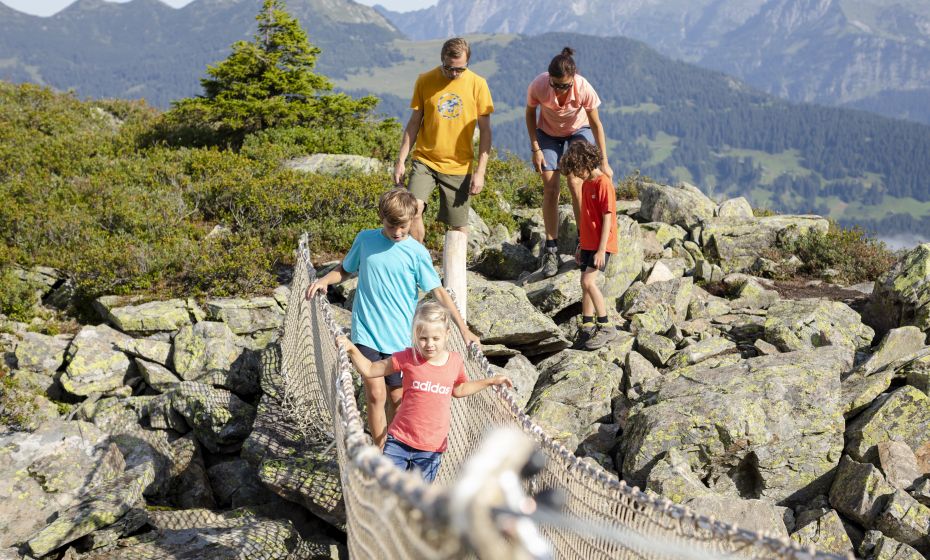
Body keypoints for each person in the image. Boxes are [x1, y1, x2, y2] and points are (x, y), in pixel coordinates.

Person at [305, 188, 480, 450]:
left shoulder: (416, 252)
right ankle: (380, 452)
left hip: (400, 339)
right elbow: (345, 270)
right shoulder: (365, 240)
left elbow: (438, 292)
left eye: (404, 227)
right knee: (375, 394)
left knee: (398, 398)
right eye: (391, 226)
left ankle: (395, 449)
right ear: (381, 218)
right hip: (366, 331)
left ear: (412, 220)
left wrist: (463, 329)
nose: (397, 232)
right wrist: (325, 280)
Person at [338, 301, 512, 482]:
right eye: (423, 338)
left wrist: (490, 381)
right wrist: (351, 349)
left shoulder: (454, 361)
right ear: (415, 335)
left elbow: (459, 389)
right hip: (399, 441)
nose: (429, 344)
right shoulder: (407, 357)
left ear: (447, 334)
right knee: (386, 490)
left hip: (431, 449)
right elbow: (370, 369)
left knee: (416, 502)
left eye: (436, 338)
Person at [393, 37, 494, 320]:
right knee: (412, 210)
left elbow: (486, 133)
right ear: (442, 61)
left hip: (459, 165)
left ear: (467, 64)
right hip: (425, 159)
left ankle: (455, 290)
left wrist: (481, 171)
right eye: (449, 68)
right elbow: (414, 123)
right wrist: (401, 159)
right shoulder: (425, 80)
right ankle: (418, 270)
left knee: (458, 227)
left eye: (459, 69)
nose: (454, 74)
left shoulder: (478, 84)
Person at [525, 47, 613, 278]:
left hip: (578, 130)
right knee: (550, 186)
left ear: (573, 79)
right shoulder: (540, 85)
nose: (558, 89)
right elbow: (529, 114)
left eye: (563, 85)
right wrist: (536, 149)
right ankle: (551, 249)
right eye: (555, 84)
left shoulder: (583, 88)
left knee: (576, 182)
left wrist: (604, 162)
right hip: (548, 133)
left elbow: (596, 125)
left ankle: (584, 242)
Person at [558, 140, 619, 350]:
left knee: (588, 282)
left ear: (587, 162)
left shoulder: (603, 183)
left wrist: (602, 249)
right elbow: (586, 217)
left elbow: (608, 218)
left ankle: (606, 325)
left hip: (601, 244)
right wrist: (581, 244)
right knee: (584, 285)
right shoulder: (586, 185)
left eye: (577, 169)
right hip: (588, 242)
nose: (577, 174)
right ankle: (586, 327)